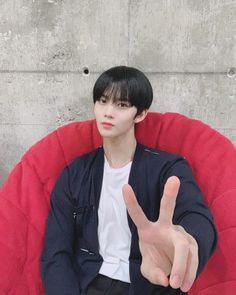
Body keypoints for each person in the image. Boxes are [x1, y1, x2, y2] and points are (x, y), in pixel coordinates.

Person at [41, 66, 217, 295]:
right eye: (102, 101)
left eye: (122, 105)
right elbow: (56, 252)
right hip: (91, 282)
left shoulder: (167, 167)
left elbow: (196, 214)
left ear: (141, 113)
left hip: (149, 283)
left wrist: (190, 241)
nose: (108, 112)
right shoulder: (75, 174)